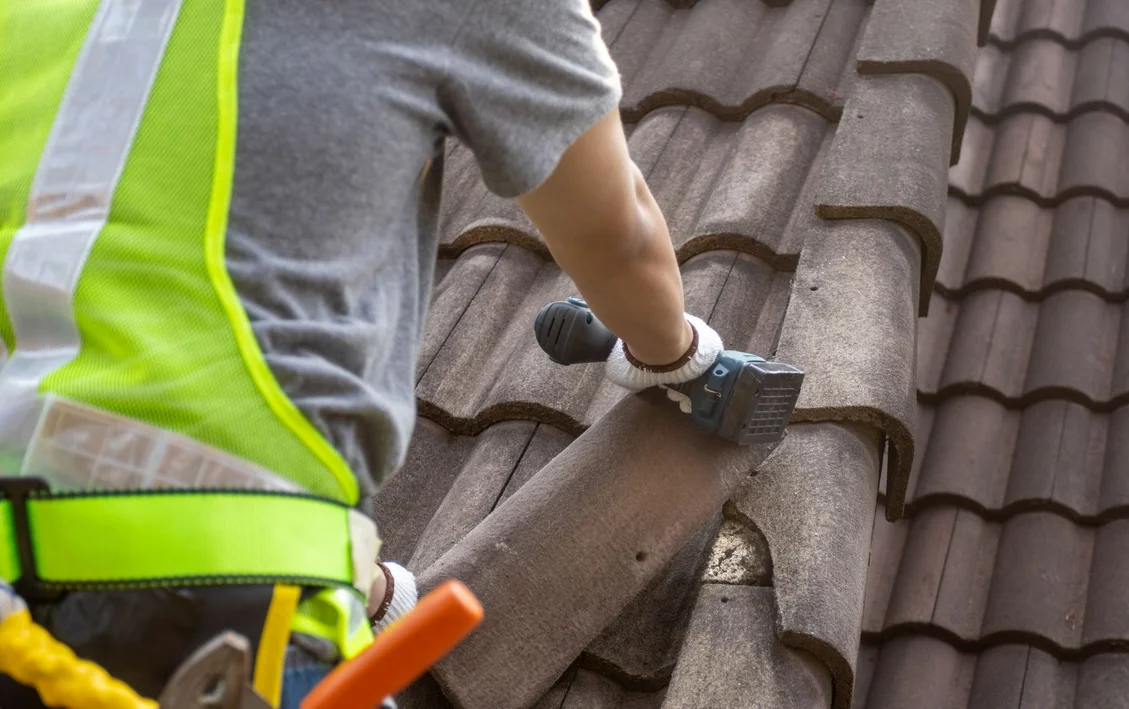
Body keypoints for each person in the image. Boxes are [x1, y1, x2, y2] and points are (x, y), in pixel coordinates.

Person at [0, 0, 730, 705]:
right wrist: (676, 354)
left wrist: (354, 574)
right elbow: (620, 239)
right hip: (209, 630)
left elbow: (106, 365)